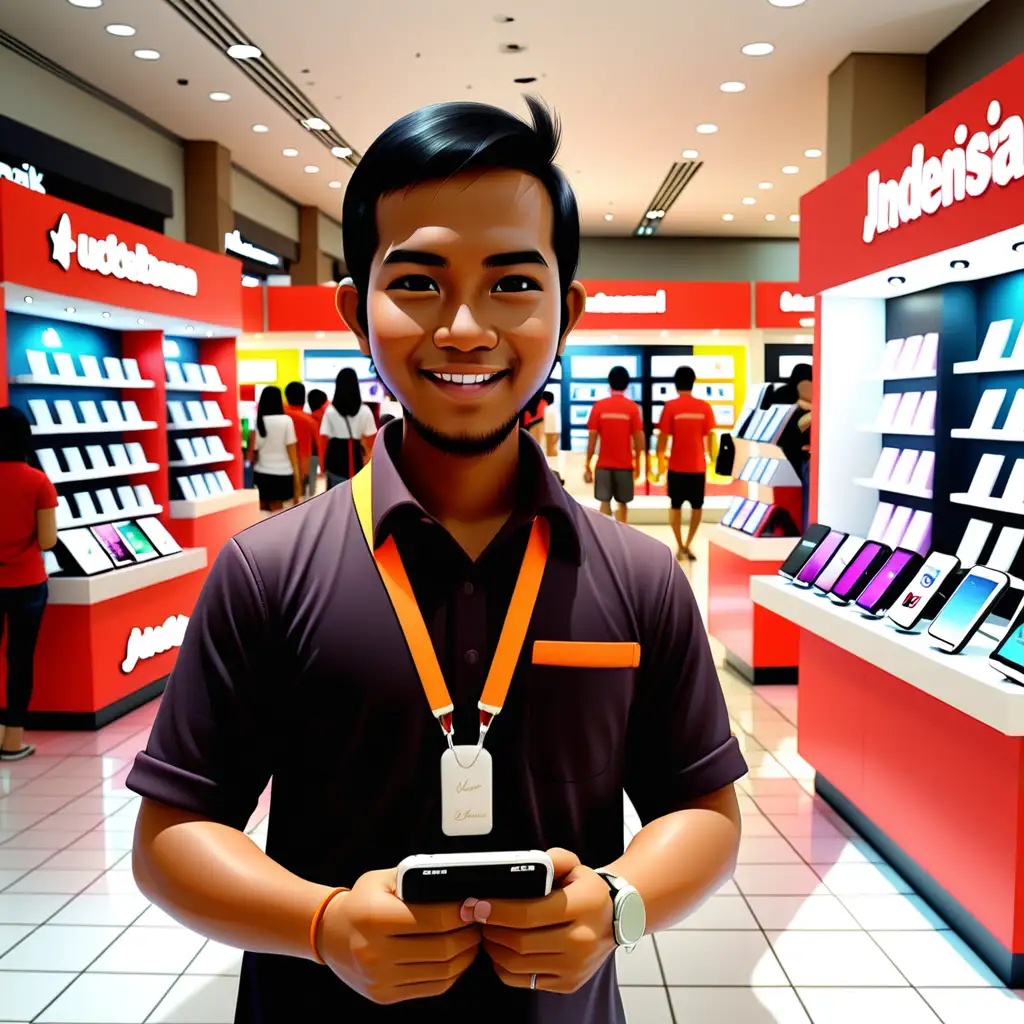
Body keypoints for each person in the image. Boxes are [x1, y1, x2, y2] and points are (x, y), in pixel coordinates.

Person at [127, 98, 745, 1024]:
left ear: (567, 311)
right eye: (417, 282)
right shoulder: (268, 569)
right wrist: (323, 923)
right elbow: (170, 834)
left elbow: (705, 812)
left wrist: (617, 905)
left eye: (512, 284)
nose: (463, 326)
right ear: (352, 309)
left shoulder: (639, 578)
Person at [0, 407, 57, 761]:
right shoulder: (38, 481)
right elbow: (48, 540)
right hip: (27, 582)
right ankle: (11, 742)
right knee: (20, 660)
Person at [656, 366, 716, 562]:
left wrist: (659, 463)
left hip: (676, 467)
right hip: (698, 467)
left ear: (675, 383)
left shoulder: (670, 406)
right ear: (693, 381)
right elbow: (710, 437)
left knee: (675, 506)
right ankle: (687, 544)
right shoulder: (704, 407)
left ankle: (680, 545)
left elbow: (663, 438)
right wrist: (714, 460)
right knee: (697, 508)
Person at [583, 366, 644, 523]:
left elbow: (592, 438)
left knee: (604, 503)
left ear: (609, 384)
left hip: (603, 464)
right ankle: (623, 540)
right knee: (623, 504)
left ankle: (606, 539)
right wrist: (639, 462)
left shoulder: (599, 406)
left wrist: (588, 463)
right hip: (625, 465)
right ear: (626, 384)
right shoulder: (632, 408)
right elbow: (638, 438)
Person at [321, 367, 377, 489]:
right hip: (355, 457)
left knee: (335, 494)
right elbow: (371, 444)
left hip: (335, 457)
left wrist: (322, 465)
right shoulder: (365, 411)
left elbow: (324, 440)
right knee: (355, 495)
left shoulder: (330, 411)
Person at [249, 385, 301, 512]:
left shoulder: (258, 421)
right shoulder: (286, 421)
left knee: (260, 515)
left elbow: (252, 454)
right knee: (277, 515)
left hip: (261, 474)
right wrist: (297, 484)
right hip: (282, 475)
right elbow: (293, 456)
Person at [283, 382, 319, 499]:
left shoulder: (280, 415)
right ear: (304, 398)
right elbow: (318, 447)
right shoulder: (311, 421)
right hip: (306, 468)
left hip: (283, 467)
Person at [308, 388, 328, 488]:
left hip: (310, 456)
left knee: (310, 490)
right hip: (327, 460)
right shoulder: (328, 417)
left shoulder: (308, 419)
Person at [542, 389, 559, 457]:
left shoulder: (543, 410)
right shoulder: (553, 410)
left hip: (545, 433)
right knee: (552, 453)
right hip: (553, 433)